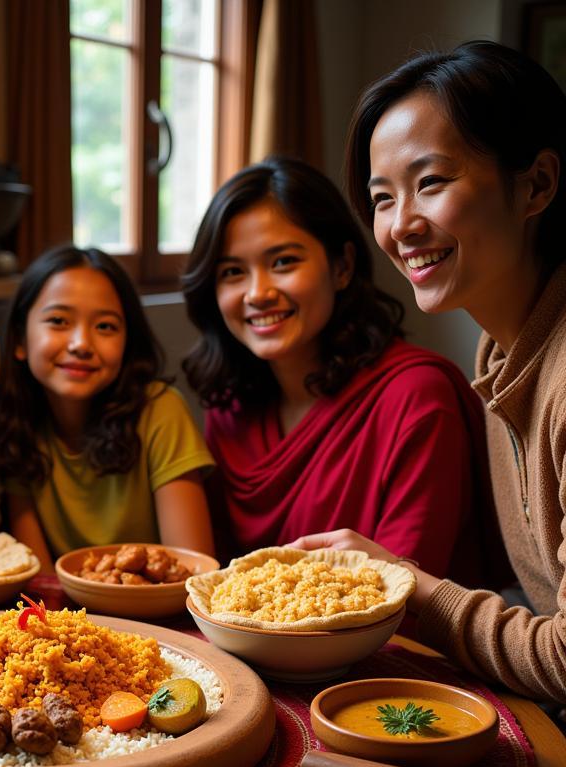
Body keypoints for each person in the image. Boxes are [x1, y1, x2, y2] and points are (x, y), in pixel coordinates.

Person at [291, 40, 566, 702]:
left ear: (536, 185)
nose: (401, 225)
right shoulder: (498, 353)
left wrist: (409, 586)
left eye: (431, 183)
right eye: (383, 198)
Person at [181, 155, 505, 589]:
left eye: (283, 262)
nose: (258, 293)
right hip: (246, 646)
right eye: (233, 272)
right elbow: (217, 578)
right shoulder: (230, 408)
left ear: (342, 267)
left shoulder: (418, 395)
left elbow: (405, 596)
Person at [0, 244, 214, 571]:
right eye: (59, 321)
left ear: (127, 342)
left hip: (154, 611)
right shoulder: (18, 421)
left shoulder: (160, 411)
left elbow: (193, 570)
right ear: (20, 338)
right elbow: (37, 579)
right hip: (63, 614)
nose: (81, 344)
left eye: (105, 326)